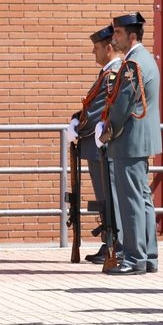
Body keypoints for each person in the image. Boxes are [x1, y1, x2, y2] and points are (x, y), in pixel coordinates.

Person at [95, 12, 162, 275]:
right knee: (142, 198)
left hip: (130, 139)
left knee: (131, 200)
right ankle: (148, 255)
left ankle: (135, 258)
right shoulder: (140, 60)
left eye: (118, 33)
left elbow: (123, 103)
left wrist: (107, 128)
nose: (114, 37)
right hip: (137, 138)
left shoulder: (134, 63)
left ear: (132, 35)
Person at [68, 24, 122, 264]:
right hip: (95, 146)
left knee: (109, 196)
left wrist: (78, 127)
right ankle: (109, 241)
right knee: (103, 197)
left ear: (108, 48)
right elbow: (91, 106)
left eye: (96, 48)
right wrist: (76, 118)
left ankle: (116, 244)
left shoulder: (113, 75)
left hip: (102, 146)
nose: (94, 53)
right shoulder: (106, 74)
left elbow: (100, 109)